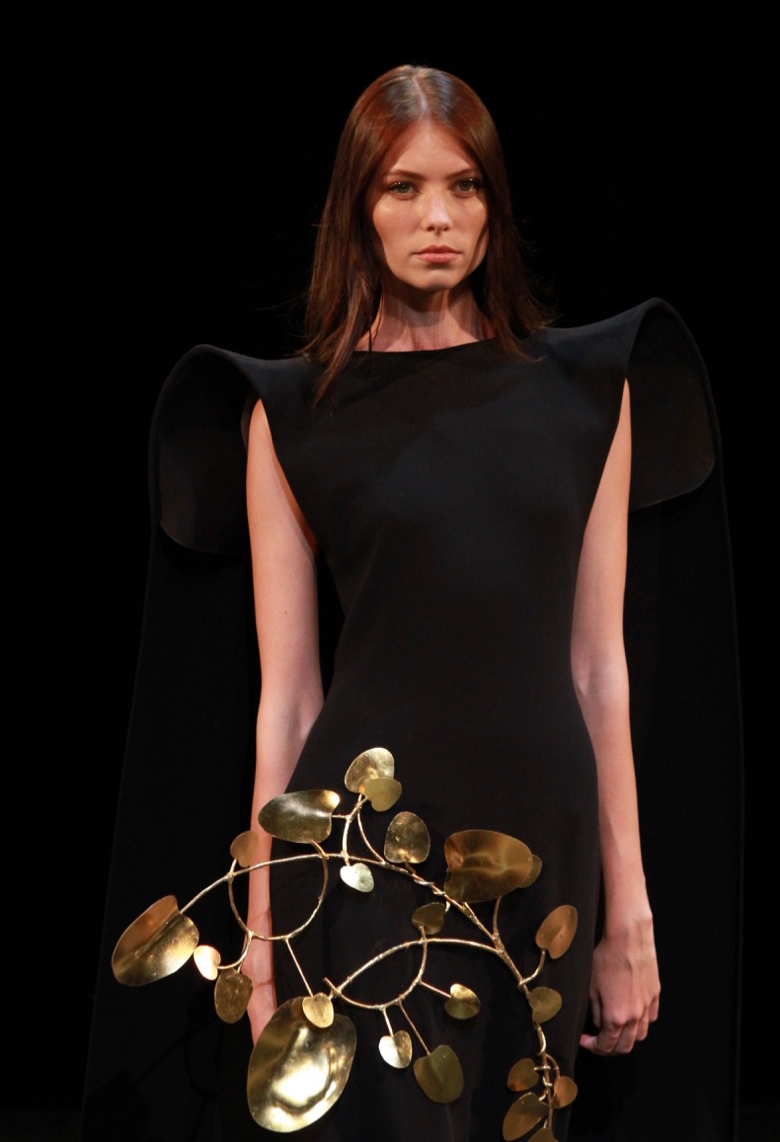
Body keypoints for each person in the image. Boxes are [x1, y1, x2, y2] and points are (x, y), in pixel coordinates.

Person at [80, 66, 743, 1142]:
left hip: (543, 836)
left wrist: (630, 906)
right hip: (361, 850)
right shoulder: (295, 412)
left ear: (494, 207)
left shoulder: (587, 394)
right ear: (358, 206)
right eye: (403, 186)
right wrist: (261, 941)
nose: (438, 216)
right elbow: (289, 700)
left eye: (464, 186)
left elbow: (597, 667)